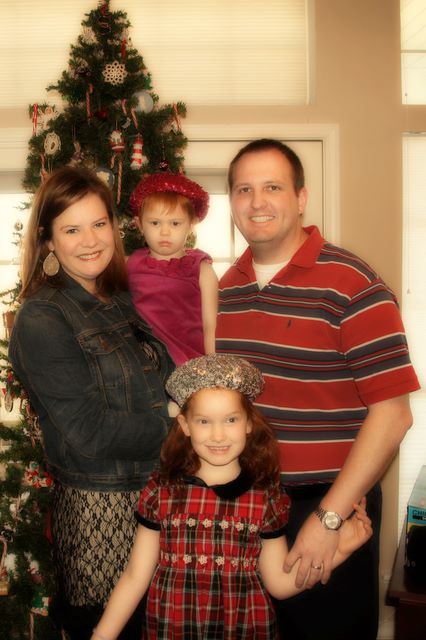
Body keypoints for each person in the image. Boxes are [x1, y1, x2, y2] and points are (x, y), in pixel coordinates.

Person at [215, 138, 420, 640]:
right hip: (247, 505)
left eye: (272, 187)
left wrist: (328, 518)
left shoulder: (352, 282)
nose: (257, 202)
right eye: (244, 189)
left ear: (301, 198)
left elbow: (393, 414)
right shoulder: (225, 290)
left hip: (329, 504)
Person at [90, 354, 372, 640]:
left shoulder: (266, 498)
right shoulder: (162, 492)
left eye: (231, 419)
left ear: (249, 423)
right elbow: (135, 576)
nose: (218, 435)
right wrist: (102, 635)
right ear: (185, 425)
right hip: (171, 629)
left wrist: (340, 549)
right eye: (204, 421)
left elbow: (279, 583)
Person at [8, 166, 175, 640]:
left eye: (99, 223)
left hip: (156, 499)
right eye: (71, 229)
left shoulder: (120, 299)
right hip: (101, 518)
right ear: (48, 240)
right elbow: (89, 431)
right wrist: (183, 429)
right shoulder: (42, 319)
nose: (90, 241)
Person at [127, 172, 218, 365]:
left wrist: (212, 367)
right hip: (144, 365)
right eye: (155, 223)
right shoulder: (130, 264)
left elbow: (211, 326)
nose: (165, 231)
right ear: (140, 225)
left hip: (191, 365)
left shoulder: (202, 269)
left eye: (175, 223)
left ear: (191, 225)